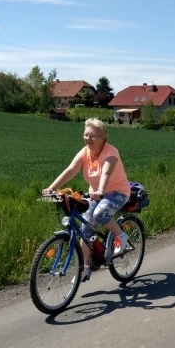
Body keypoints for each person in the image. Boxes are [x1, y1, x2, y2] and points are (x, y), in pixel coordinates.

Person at [42, 118, 131, 282]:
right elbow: (70, 171)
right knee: (85, 229)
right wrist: (52, 188)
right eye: (86, 135)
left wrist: (100, 190)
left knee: (100, 214)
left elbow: (106, 174)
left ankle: (120, 236)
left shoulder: (110, 152)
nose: (87, 139)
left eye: (92, 136)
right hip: (95, 193)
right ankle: (85, 268)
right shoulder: (85, 152)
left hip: (117, 192)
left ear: (102, 138)